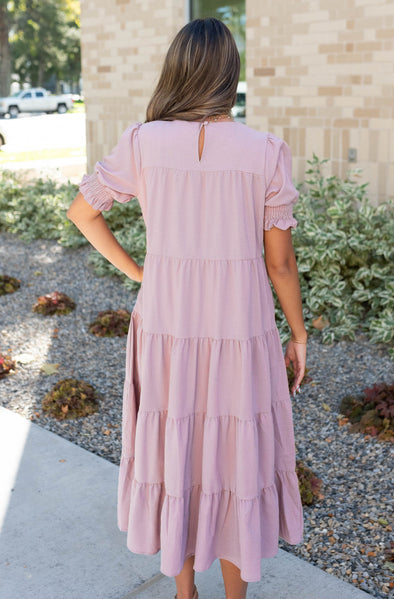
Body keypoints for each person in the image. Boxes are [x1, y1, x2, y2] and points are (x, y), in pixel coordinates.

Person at [66, 16, 307, 599]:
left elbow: (82, 212)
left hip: (166, 325)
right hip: (240, 327)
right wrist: (298, 335)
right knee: (233, 457)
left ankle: (184, 591)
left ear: (177, 70)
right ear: (230, 74)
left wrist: (142, 274)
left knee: (180, 449)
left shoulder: (142, 142)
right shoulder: (265, 152)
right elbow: (280, 265)